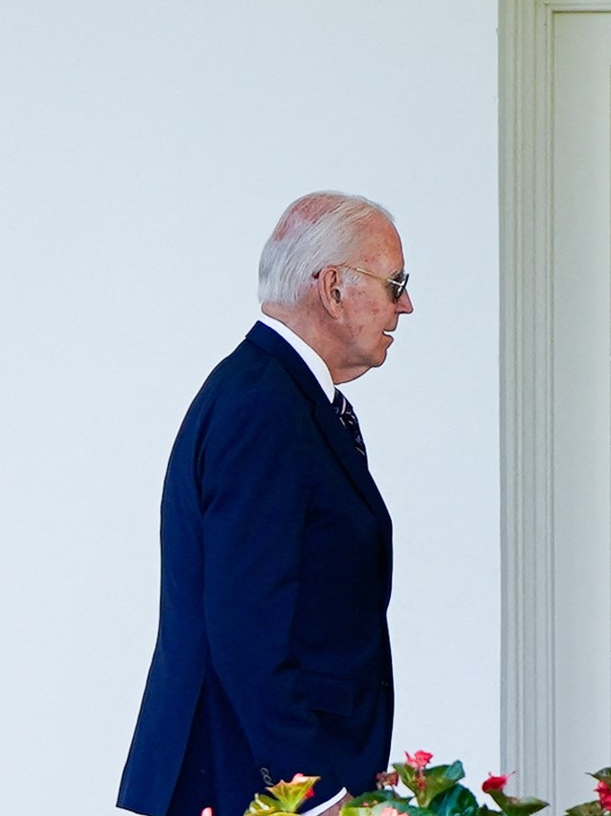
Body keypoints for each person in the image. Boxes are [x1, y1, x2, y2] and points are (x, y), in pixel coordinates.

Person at [118, 191, 414, 816]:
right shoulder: (266, 407)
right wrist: (313, 792)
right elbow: (245, 625)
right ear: (333, 288)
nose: (406, 304)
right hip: (243, 785)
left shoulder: (280, 395)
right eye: (396, 283)